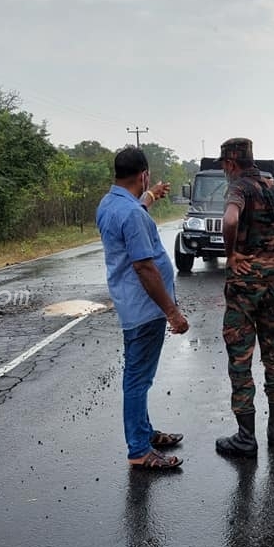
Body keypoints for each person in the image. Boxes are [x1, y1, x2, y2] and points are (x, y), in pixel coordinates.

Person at [96, 146, 189, 470]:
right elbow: (144, 267)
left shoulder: (110, 204)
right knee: (137, 380)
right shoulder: (132, 214)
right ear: (143, 173)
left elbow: (136, 207)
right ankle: (138, 449)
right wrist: (172, 312)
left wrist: (151, 195)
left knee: (139, 377)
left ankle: (145, 432)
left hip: (131, 305)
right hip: (145, 309)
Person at [213, 138, 274, 458]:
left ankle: (247, 436)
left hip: (246, 285)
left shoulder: (239, 188)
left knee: (241, 358)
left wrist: (232, 254)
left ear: (231, 163)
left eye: (224, 165)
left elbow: (231, 219)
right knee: (273, 354)